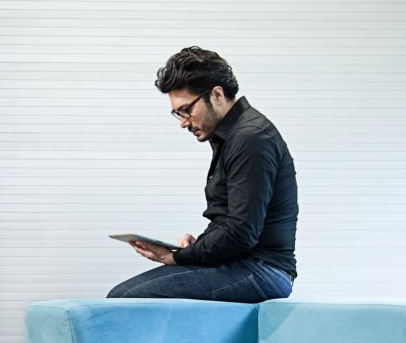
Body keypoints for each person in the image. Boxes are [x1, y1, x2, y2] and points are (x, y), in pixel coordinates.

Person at [108, 46, 298, 302]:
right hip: (245, 264)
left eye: (186, 110)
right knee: (125, 296)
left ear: (217, 94)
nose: (183, 122)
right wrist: (198, 245)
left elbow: (242, 233)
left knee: (124, 298)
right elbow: (234, 223)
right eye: (177, 113)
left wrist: (177, 256)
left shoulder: (250, 138)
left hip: (261, 271)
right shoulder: (232, 136)